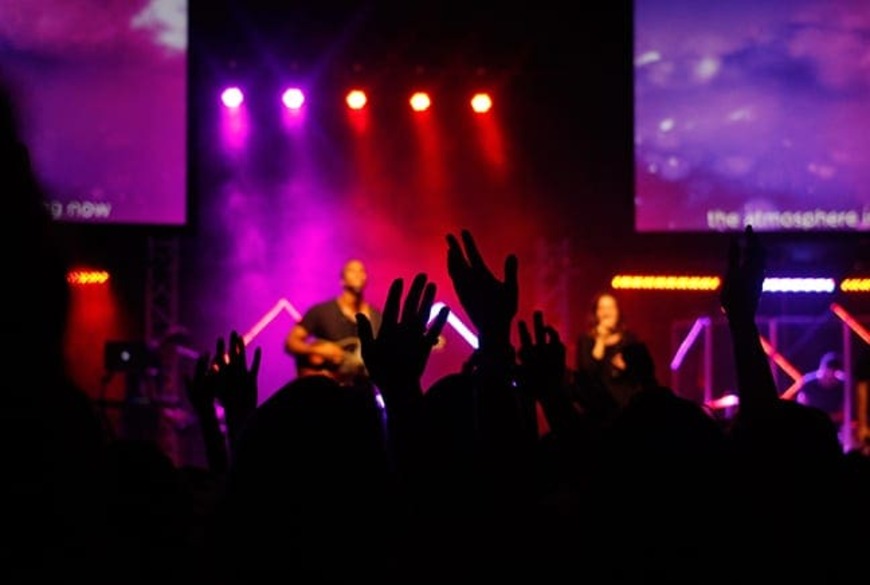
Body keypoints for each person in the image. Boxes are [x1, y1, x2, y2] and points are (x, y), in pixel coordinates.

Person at [285, 259, 382, 387]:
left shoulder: (376, 318)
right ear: (342, 280)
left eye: (362, 271)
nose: (358, 274)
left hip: (360, 391)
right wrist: (319, 351)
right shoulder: (321, 311)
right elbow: (291, 342)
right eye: (352, 270)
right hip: (326, 389)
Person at [574, 290, 642, 409]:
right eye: (602, 308)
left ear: (618, 311)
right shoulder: (586, 340)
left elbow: (641, 374)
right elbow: (586, 373)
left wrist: (626, 366)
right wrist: (601, 339)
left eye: (611, 307)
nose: (607, 312)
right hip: (596, 406)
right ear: (596, 313)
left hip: (625, 404)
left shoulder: (629, 339)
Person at [796, 351, 847, 425]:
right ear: (822, 369)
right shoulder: (808, 383)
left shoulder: (843, 386)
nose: (830, 376)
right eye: (827, 372)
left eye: (834, 372)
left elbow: (844, 413)